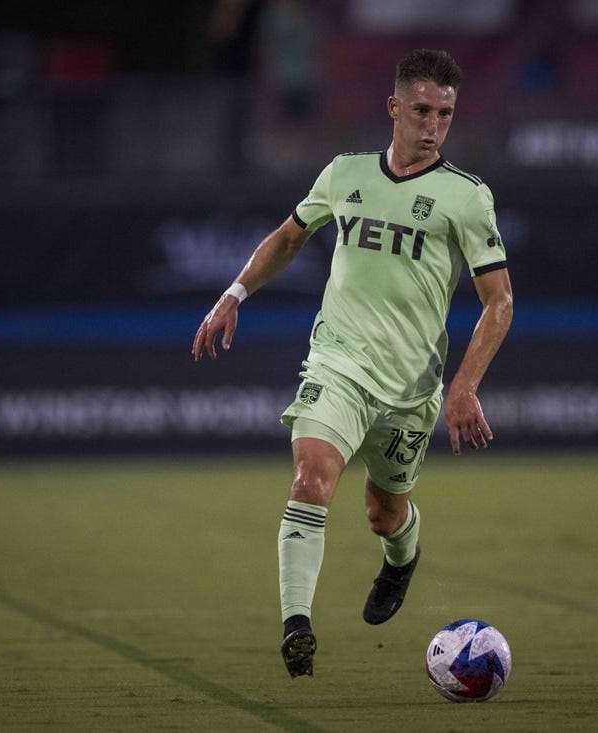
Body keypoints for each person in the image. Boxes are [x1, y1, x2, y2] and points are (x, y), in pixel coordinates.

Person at [192, 49, 513, 678]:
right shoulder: (344, 174)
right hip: (337, 364)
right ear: (393, 107)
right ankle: (297, 628)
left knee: (382, 513)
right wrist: (233, 293)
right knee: (311, 480)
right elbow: (290, 236)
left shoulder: (467, 199)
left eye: (444, 114)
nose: (431, 125)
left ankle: (401, 557)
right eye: (421, 109)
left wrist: (464, 386)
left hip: (411, 386)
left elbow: (499, 300)